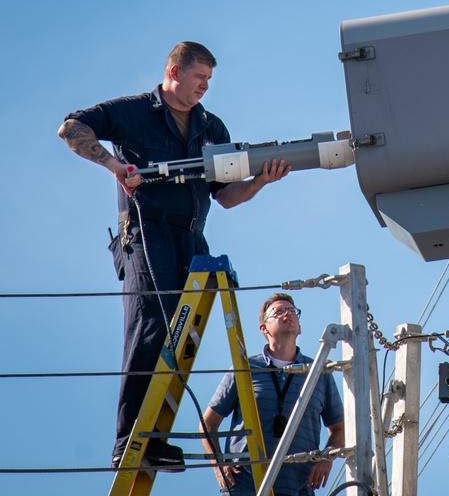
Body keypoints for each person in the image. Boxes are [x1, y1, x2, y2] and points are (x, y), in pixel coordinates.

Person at [57, 41, 291, 469]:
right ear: (174, 71)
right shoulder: (132, 112)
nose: (205, 87)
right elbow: (71, 128)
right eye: (199, 77)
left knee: (182, 336)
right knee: (151, 329)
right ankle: (130, 440)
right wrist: (114, 166)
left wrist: (259, 181)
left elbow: (225, 196)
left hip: (191, 239)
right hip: (147, 235)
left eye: (209, 80)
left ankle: (155, 438)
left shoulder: (210, 127)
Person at [201, 293, 345, 495]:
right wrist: (219, 466)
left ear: (300, 327)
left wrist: (326, 459)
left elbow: (340, 428)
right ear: (264, 328)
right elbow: (208, 424)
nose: (288, 313)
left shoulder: (319, 371)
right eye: (279, 311)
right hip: (245, 487)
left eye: (292, 311)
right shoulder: (244, 369)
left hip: (298, 488)